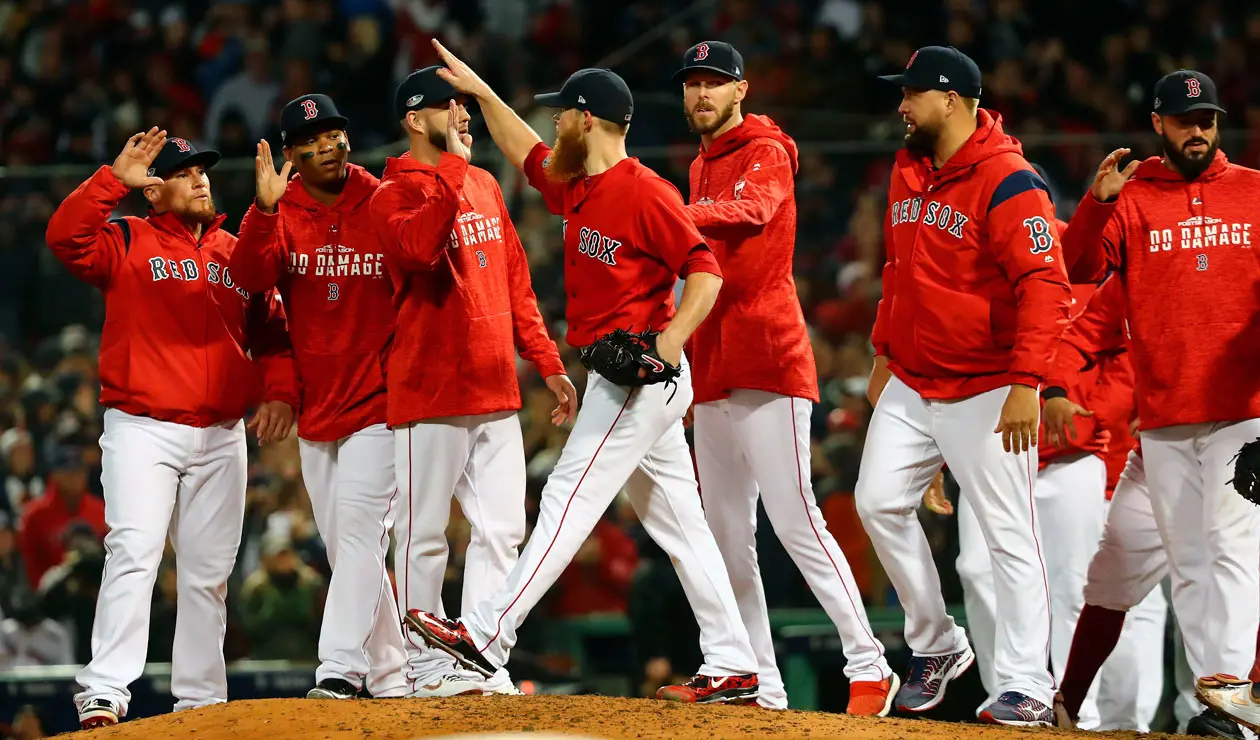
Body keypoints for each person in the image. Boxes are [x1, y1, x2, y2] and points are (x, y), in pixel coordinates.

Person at [403, 39, 761, 705]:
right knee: (681, 523)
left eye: (560, 116)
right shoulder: (579, 184)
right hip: (616, 374)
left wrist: (676, 337)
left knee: (567, 499)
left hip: (640, 377)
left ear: (586, 120)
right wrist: (483, 94)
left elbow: (705, 269)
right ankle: (734, 661)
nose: (552, 126)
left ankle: (486, 634)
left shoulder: (644, 190)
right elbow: (523, 152)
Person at [45, 129, 298, 728]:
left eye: (202, 170)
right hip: (143, 428)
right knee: (133, 550)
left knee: (209, 575)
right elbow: (64, 238)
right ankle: (105, 689)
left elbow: (274, 331)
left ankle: (201, 700)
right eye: (184, 172)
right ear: (154, 189)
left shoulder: (238, 251)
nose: (200, 178)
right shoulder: (128, 239)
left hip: (222, 434)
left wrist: (282, 392)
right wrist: (111, 181)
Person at [673, 40, 895, 715]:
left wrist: (668, 216)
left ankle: (869, 663)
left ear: (742, 90)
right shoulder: (697, 166)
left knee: (797, 521)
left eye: (715, 83)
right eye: (692, 85)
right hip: (713, 365)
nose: (701, 95)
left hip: (769, 357)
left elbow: (757, 211)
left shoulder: (767, 148)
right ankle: (757, 679)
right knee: (725, 537)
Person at [857, 45, 1070, 726]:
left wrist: (1027, 382)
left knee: (1009, 537)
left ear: (950, 98)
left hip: (986, 384)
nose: (901, 106)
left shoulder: (1011, 181)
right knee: (875, 502)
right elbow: (898, 270)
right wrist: (884, 351)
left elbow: (1045, 285)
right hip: (914, 381)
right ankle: (939, 642)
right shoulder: (908, 168)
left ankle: (1026, 684)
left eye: (911, 94)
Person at [1058, 70, 1260, 737]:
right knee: (1189, 564)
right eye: (1183, 120)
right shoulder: (1136, 197)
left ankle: (1228, 703)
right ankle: (1224, 703)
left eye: (1206, 120)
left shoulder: (1256, 192)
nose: (1197, 130)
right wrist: (1095, 202)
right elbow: (1078, 271)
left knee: (1229, 549)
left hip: (1244, 411)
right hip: (1169, 418)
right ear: (1158, 125)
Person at [369, 66, 571, 697]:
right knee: (423, 533)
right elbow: (421, 252)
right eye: (447, 106)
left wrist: (548, 360)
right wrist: (453, 172)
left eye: (464, 104)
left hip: (494, 390)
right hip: (428, 392)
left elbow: (515, 282)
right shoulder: (389, 195)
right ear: (413, 119)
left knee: (503, 529)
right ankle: (419, 662)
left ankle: (476, 653)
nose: (463, 114)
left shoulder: (484, 182)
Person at [229, 93, 408, 701]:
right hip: (317, 409)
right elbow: (251, 280)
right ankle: (392, 674)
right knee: (347, 548)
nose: (326, 146)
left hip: (380, 402)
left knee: (359, 534)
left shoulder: (382, 198)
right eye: (311, 140)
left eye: (334, 133)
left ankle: (338, 668)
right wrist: (262, 210)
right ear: (290, 155)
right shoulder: (281, 209)